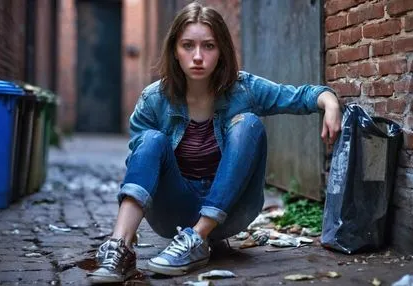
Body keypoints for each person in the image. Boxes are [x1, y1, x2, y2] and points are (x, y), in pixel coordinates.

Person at [87, 1, 341, 283]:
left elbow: (297, 96)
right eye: (188, 46)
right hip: (173, 212)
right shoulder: (153, 99)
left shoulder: (243, 89)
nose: (198, 56)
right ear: (174, 50)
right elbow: (139, 162)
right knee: (150, 140)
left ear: (221, 51)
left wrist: (329, 101)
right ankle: (118, 248)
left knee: (248, 124)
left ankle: (198, 238)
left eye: (208, 46)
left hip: (230, 212)